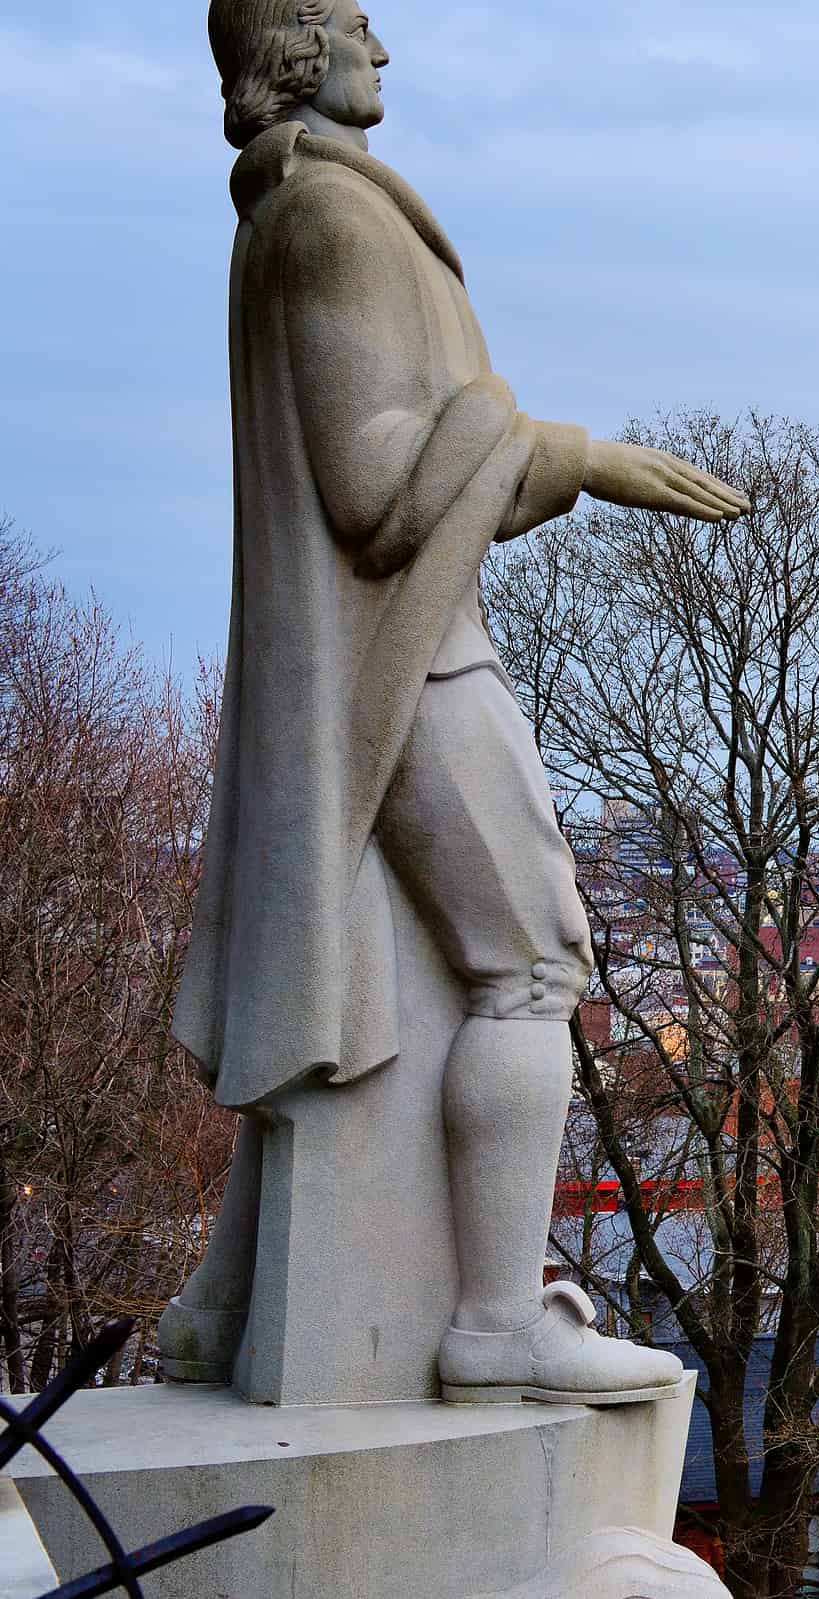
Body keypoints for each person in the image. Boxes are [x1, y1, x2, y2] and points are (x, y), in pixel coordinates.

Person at [163, 0, 748, 1403]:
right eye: (363, 22)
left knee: (334, 985)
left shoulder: (305, 215)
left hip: (385, 652)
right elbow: (375, 489)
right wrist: (574, 455)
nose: (388, 49)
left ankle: (220, 1308)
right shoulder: (331, 223)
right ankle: (493, 1320)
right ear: (302, 47)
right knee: (535, 962)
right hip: (407, 660)